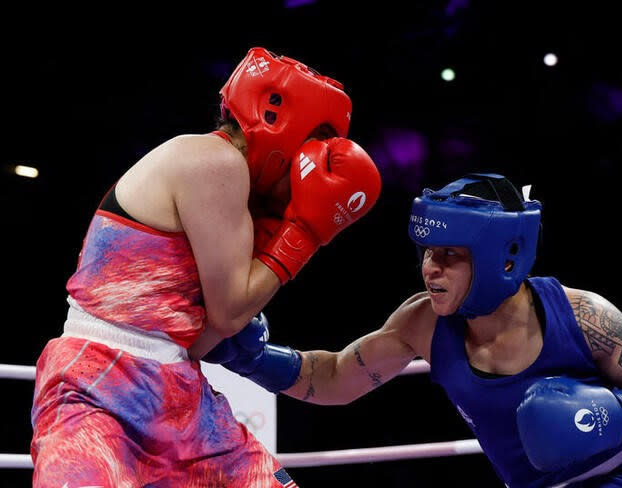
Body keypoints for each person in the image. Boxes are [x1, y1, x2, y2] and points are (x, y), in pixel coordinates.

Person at [29, 46, 382, 487]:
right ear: (284, 129)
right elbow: (231, 312)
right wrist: (305, 232)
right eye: (315, 143)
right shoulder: (214, 162)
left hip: (174, 384)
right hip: (96, 385)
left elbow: (201, 339)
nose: (309, 164)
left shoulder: (231, 196)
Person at [209, 173, 622, 487]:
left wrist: (609, 416)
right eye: (426, 253)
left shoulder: (580, 314)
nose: (429, 269)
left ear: (499, 258)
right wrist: (255, 358)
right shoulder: (423, 322)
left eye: (449, 255)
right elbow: (337, 376)